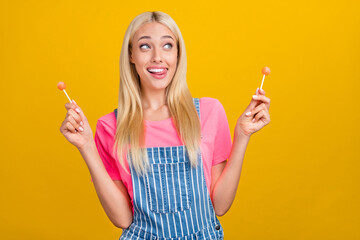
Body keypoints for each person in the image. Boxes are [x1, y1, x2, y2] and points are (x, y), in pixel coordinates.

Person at [60, 11, 271, 240]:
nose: (157, 57)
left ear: (178, 54)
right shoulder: (111, 126)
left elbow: (220, 205)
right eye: (145, 47)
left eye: (168, 45)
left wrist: (242, 135)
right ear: (131, 55)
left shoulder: (210, 112)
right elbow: (122, 219)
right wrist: (86, 147)